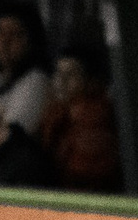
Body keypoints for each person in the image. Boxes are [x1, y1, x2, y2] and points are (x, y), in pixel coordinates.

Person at [39, 39, 123, 193]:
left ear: (90, 81)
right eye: (59, 73)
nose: (62, 81)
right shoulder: (58, 111)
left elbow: (82, 176)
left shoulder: (95, 120)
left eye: (71, 74)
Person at [0, 0, 53, 138]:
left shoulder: (37, 81)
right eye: (0, 32)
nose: (5, 41)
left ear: (31, 41)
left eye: (15, 33)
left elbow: (9, 137)